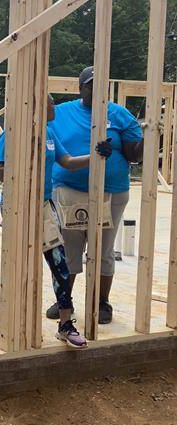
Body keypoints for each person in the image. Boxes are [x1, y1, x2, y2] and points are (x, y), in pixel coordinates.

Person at [0, 94, 111, 348]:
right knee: (22, 267)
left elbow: (68, 162)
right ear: (36, 106)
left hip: (45, 206)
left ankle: (65, 324)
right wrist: (27, 162)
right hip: (18, 207)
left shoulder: (49, 132)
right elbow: (2, 172)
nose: (54, 107)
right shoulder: (13, 134)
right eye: (50, 103)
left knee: (60, 263)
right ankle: (18, 324)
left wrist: (96, 155)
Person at [50, 66, 143, 323]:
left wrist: (145, 137)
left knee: (102, 249)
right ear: (81, 88)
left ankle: (101, 302)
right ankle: (64, 301)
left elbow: (135, 156)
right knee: (69, 249)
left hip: (110, 193)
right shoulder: (62, 112)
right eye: (91, 85)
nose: (97, 89)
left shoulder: (120, 115)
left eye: (102, 84)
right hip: (69, 190)